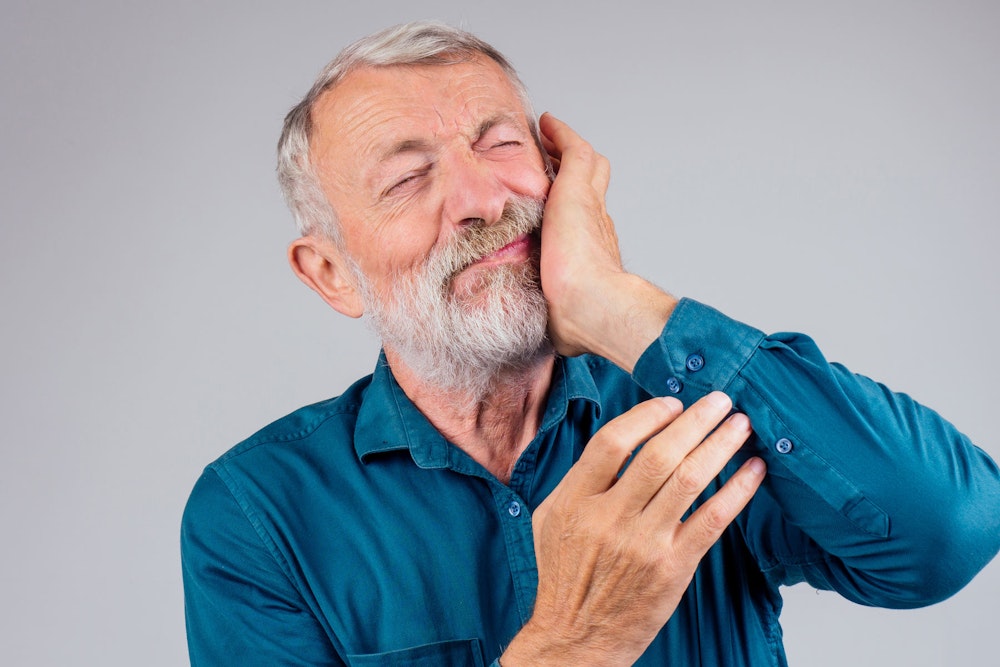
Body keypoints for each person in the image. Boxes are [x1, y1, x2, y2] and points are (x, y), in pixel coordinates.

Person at [181, 20, 1000, 666]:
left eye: (501, 143)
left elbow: (946, 532)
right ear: (331, 273)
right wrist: (574, 647)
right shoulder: (257, 518)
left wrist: (615, 303)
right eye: (407, 178)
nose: (481, 198)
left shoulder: (691, 412)